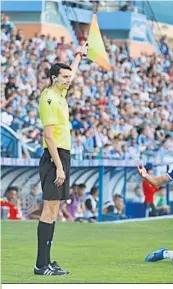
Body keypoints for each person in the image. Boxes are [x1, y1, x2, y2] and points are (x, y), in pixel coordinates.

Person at [34, 42, 89, 276]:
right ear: (54, 78)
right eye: (64, 77)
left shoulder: (60, 93)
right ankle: (40, 265)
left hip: (63, 156)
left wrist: (78, 56)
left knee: (54, 211)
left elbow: (72, 72)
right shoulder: (48, 98)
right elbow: (48, 135)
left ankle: (46, 262)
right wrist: (58, 166)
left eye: (69, 76)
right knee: (48, 211)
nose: (69, 79)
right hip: (53, 157)